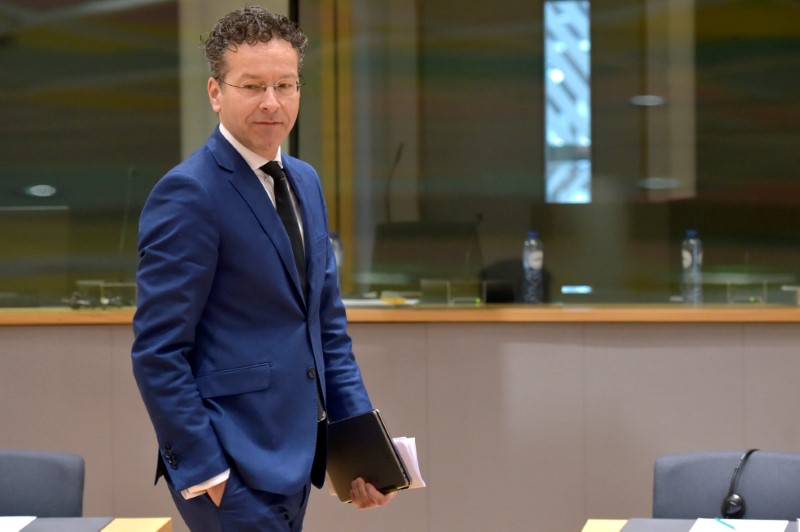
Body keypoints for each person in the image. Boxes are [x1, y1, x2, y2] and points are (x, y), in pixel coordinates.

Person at [131, 6, 394, 531]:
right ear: (215, 92)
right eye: (252, 86)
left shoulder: (305, 181)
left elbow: (326, 330)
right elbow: (158, 351)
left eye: (286, 85)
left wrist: (362, 450)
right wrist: (206, 471)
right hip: (229, 466)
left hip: (297, 460)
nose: (272, 102)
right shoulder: (189, 193)